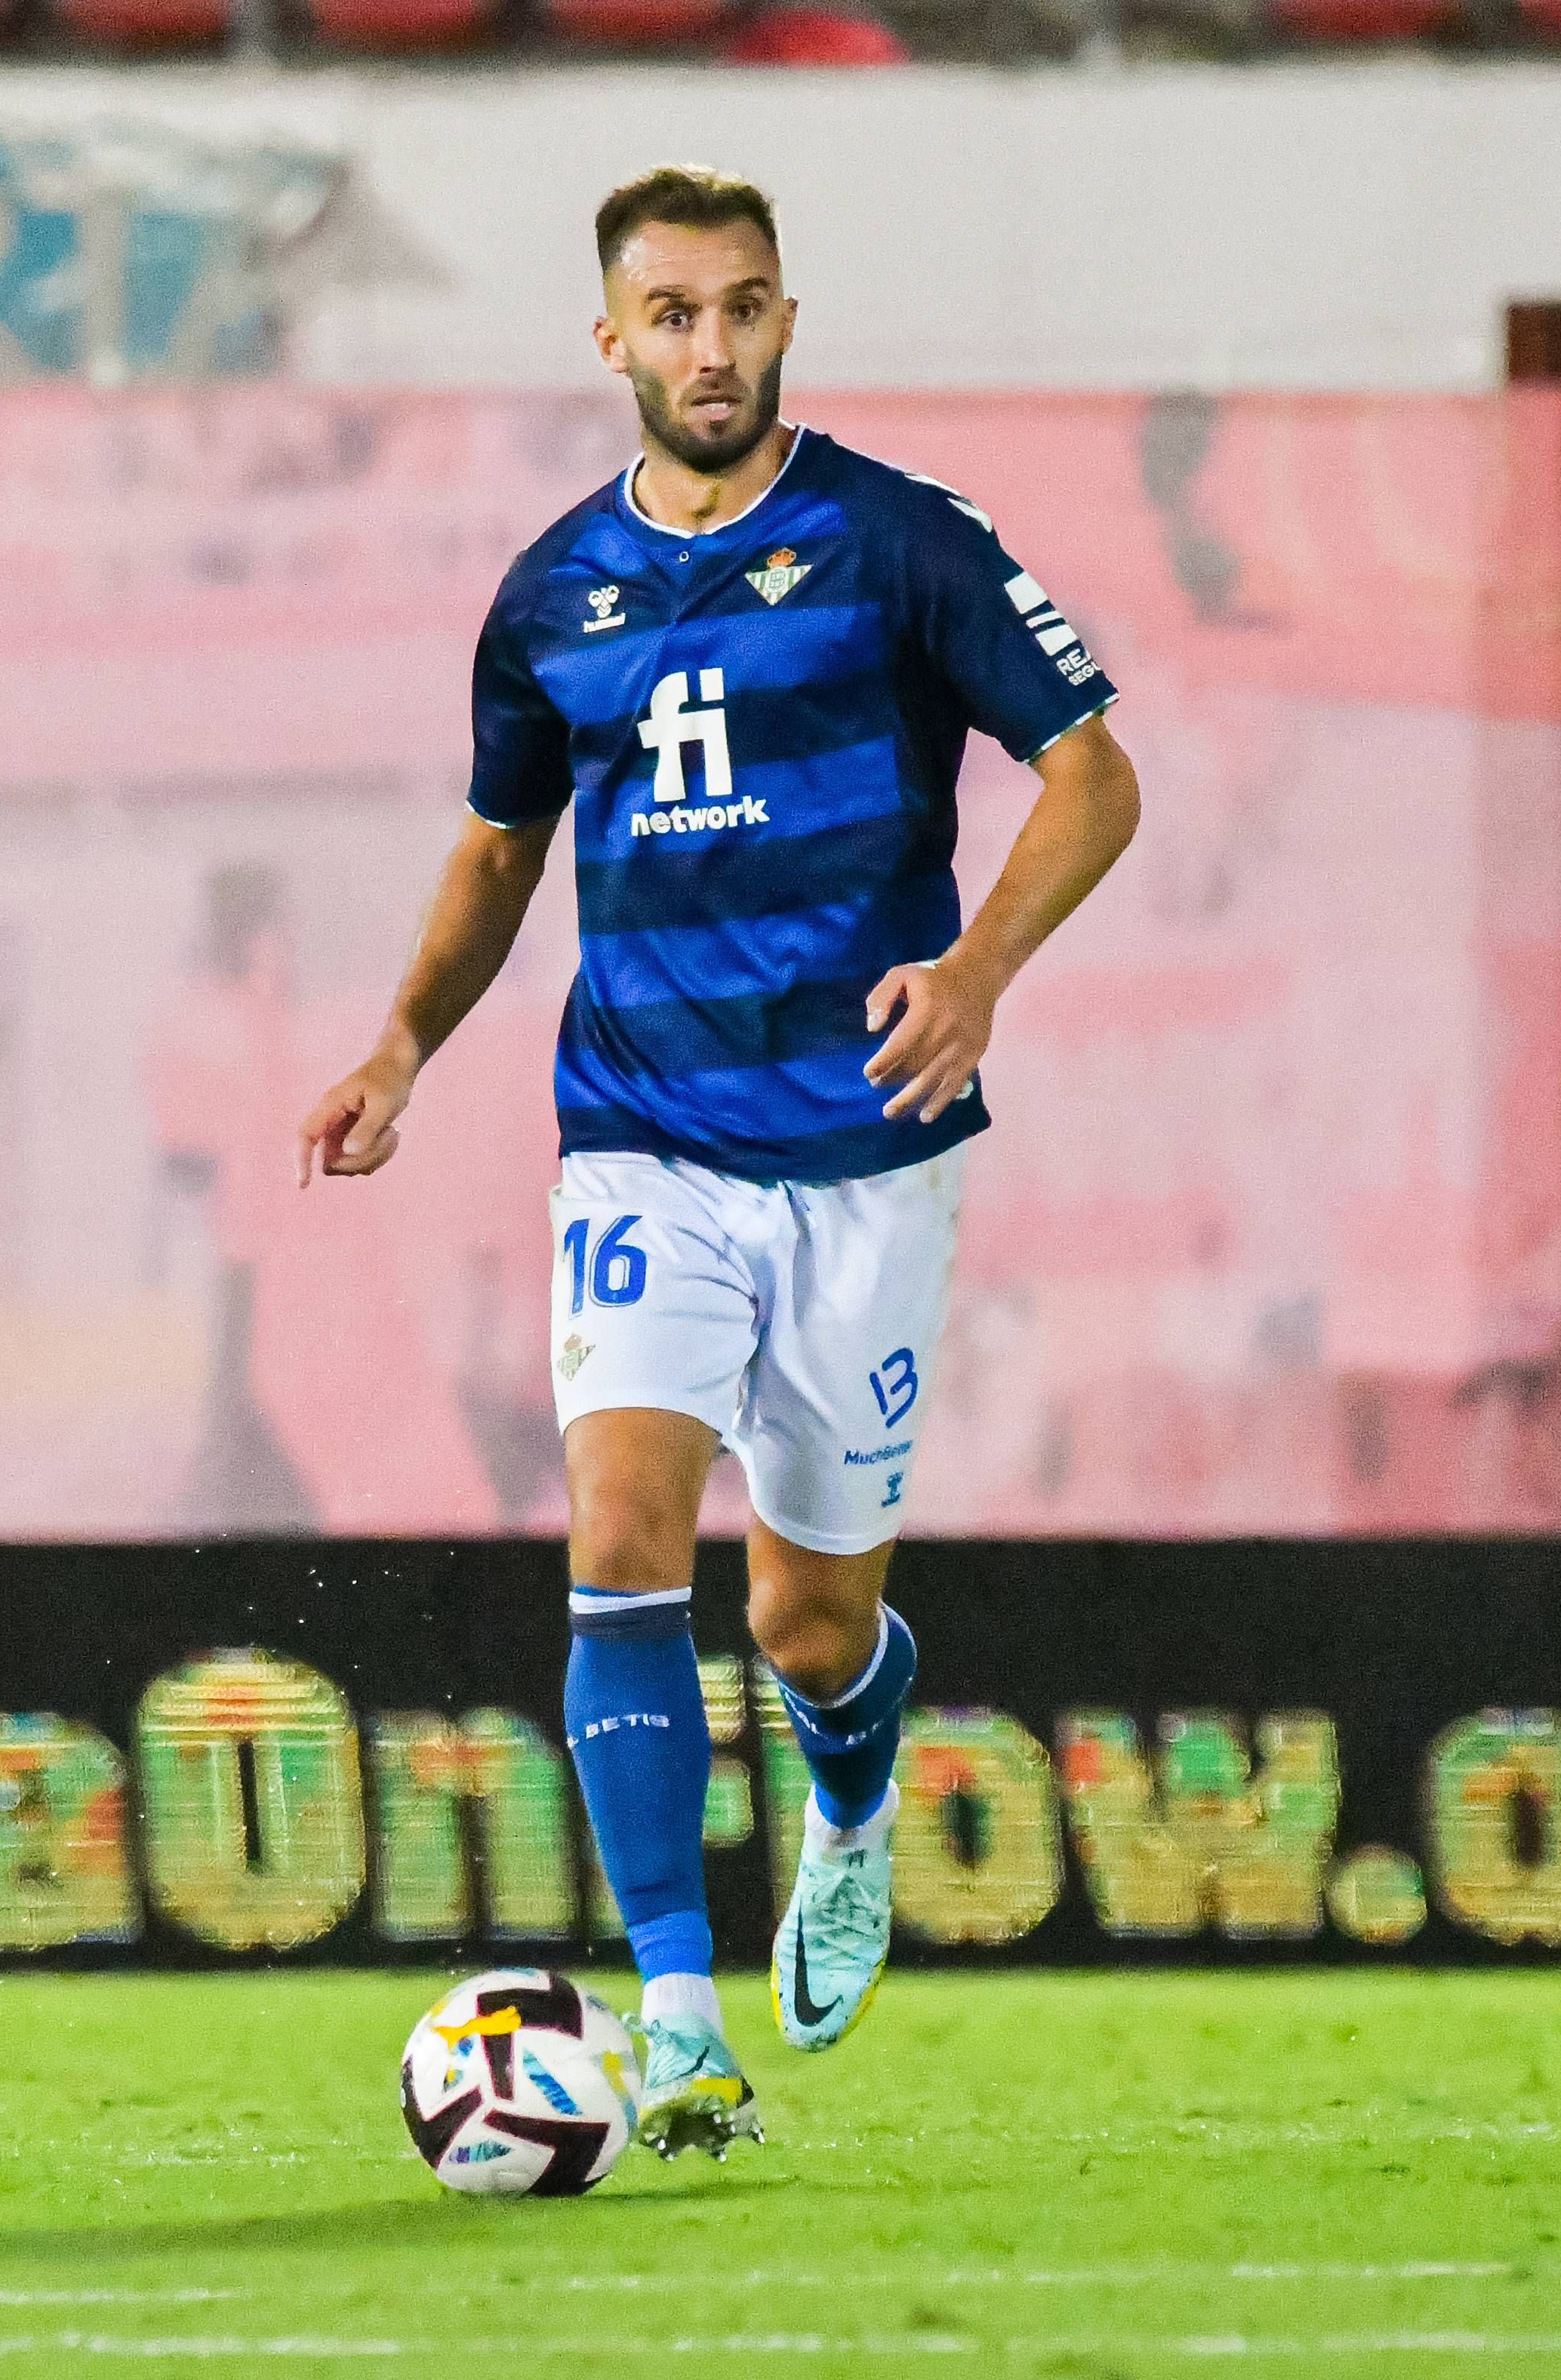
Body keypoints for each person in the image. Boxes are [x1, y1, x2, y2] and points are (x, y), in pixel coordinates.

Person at [293, 165, 1141, 2157]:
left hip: (864, 1146)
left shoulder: (896, 543)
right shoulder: (548, 599)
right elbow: (499, 851)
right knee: (615, 1533)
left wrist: (978, 969)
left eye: (742, 308)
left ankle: (848, 1787)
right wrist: (402, 1044)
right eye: (670, 313)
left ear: (783, 321)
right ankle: (676, 2011)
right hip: (643, 1138)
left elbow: (1093, 768)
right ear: (610, 340)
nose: (710, 347)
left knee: (802, 1624)